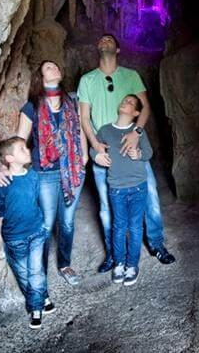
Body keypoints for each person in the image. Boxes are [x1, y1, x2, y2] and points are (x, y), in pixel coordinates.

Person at [78, 34, 175, 273]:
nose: (104, 41)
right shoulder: (87, 80)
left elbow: (145, 107)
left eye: (110, 40)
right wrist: (95, 146)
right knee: (106, 206)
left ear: (118, 49)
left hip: (131, 147)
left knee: (150, 196)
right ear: (96, 48)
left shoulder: (131, 76)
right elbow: (84, 118)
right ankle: (114, 254)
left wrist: (137, 132)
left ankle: (156, 244)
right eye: (100, 40)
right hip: (105, 150)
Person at [0, 61, 87, 286]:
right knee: (45, 224)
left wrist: (83, 157)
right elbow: (19, 140)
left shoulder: (72, 101)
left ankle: (64, 264)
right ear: (40, 77)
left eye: (56, 66)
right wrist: (4, 167)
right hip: (44, 173)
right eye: (48, 67)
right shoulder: (31, 107)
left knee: (67, 223)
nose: (54, 68)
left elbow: (80, 129)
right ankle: (39, 272)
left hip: (73, 169)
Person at [0, 137, 55, 328]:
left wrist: (43, 224)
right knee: (23, 274)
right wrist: (0, 235)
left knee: (36, 271)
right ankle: (43, 297)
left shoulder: (33, 175)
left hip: (36, 231)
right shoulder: (1, 183)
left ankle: (35, 309)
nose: (27, 150)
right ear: (9, 158)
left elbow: (36, 200)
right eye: (21, 149)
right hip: (14, 237)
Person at [90, 95, 154, 285]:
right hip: (116, 187)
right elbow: (95, 148)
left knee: (135, 227)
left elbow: (149, 153)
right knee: (119, 227)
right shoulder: (105, 130)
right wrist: (97, 156)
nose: (125, 102)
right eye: (124, 100)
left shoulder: (138, 131)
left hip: (138, 186)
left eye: (131, 102)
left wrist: (139, 154)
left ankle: (132, 265)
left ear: (136, 113)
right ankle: (119, 263)